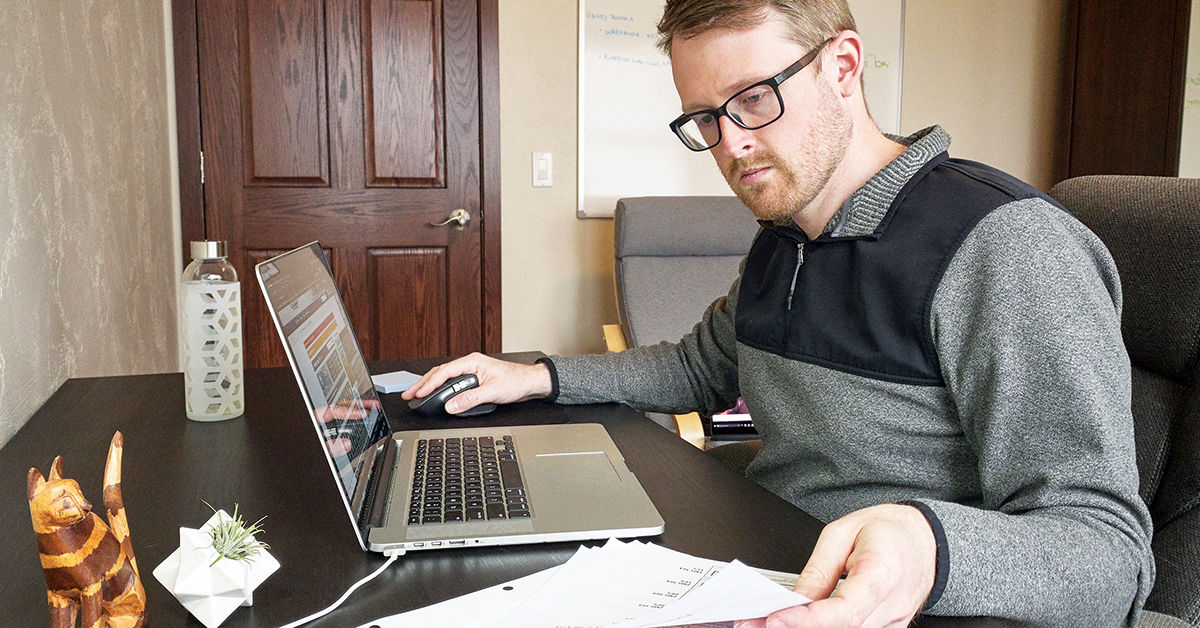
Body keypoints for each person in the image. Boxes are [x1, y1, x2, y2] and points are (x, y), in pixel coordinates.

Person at [403, 1, 1154, 625]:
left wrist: (929, 546)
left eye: (755, 98)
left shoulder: (1006, 245)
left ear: (844, 67)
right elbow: (696, 367)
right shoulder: (784, 237)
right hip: (759, 569)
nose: (731, 144)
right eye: (704, 118)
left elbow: (1108, 551)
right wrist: (536, 377)